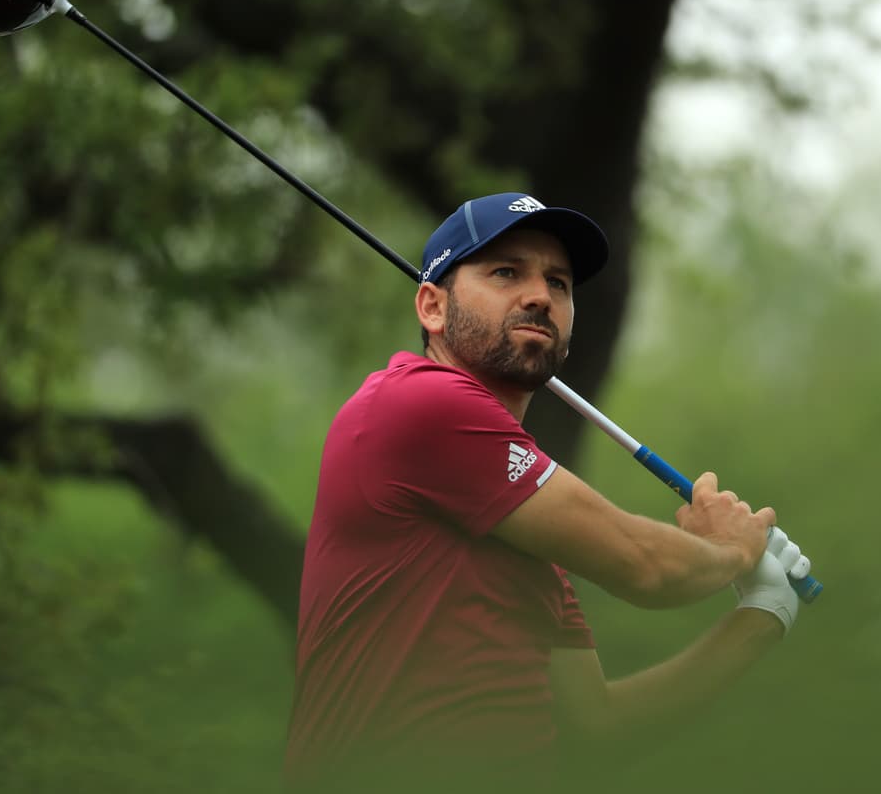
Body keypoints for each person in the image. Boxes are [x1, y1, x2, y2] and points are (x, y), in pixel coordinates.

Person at [283, 192, 807, 792]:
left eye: (558, 283)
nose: (539, 295)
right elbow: (648, 567)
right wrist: (732, 550)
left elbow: (596, 728)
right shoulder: (417, 401)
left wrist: (765, 615)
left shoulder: (524, 524)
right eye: (505, 271)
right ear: (432, 305)